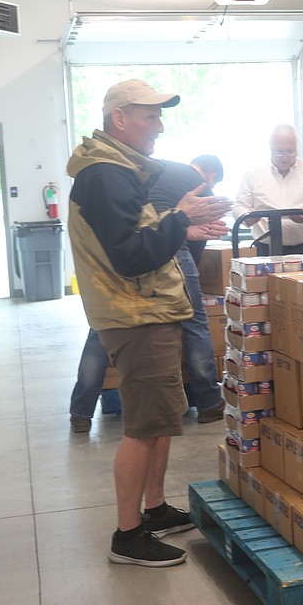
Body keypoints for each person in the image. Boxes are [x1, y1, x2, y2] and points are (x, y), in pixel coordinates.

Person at [67, 79, 226, 568]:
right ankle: (128, 534)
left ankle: (153, 509)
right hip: (136, 314)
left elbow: (135, 235)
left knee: (159, 419)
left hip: (149, 310)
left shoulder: (117, 172)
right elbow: (131, 257)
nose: (159, 127)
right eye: (150, 117)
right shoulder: (107, 174)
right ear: (120, 118)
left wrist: (182, 226)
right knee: (141, 426)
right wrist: (179, 218)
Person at [68, 154, 231, 433]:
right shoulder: (201, 188)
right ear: (212, 176)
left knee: (104, 327)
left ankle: (80, 412)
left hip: (126, 246)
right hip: (167, 239)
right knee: (194, 321)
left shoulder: (146, 169)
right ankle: (208, 402)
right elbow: (198, 242)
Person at [233, 124, 303, 255]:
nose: (284, 157)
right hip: (265, 248)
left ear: (297, 147)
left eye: (290, 151)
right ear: (270, 147)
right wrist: (248, 217)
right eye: (279, 151)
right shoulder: (253, 174)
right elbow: (239, 206)